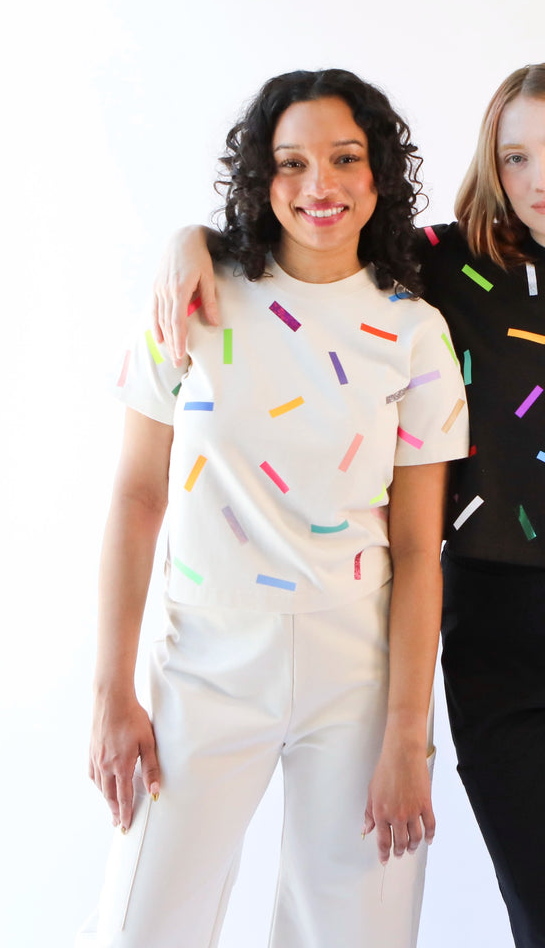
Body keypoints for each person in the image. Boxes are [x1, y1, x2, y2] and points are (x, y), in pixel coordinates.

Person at [153, 62, 545, 948]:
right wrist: (189, 237)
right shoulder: (445, 267)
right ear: (493, 170)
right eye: (517, 157)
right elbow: (315, 225)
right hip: (489, 620)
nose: (544, 178)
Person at [79, 68, 469, 948]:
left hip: (356, 670)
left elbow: (418, 547)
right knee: (140, 927)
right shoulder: (193, 297)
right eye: (290, 163)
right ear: (260, 178)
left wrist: (408, 735)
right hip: (204, 659)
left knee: (356, 934)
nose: (318, 185)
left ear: (380, 177)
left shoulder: (414, 333)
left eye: (344, 159)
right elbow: (137, 496)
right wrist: (110, 690)